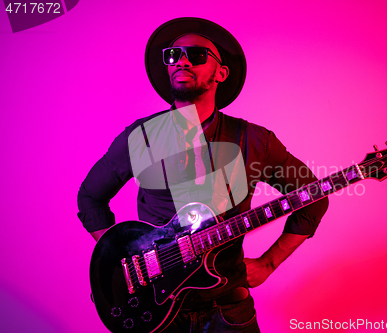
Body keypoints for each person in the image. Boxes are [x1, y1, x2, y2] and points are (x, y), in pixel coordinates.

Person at [78, 17, 329, 332]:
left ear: (220, 73)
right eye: (173, 55)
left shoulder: (255, 140)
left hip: (227, 312)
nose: (182, 60)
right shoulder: (140, 137)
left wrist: (268, 263)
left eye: (196, 55)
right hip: (157, 316)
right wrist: (119, 253)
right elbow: (90, 197)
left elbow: (313, 196)